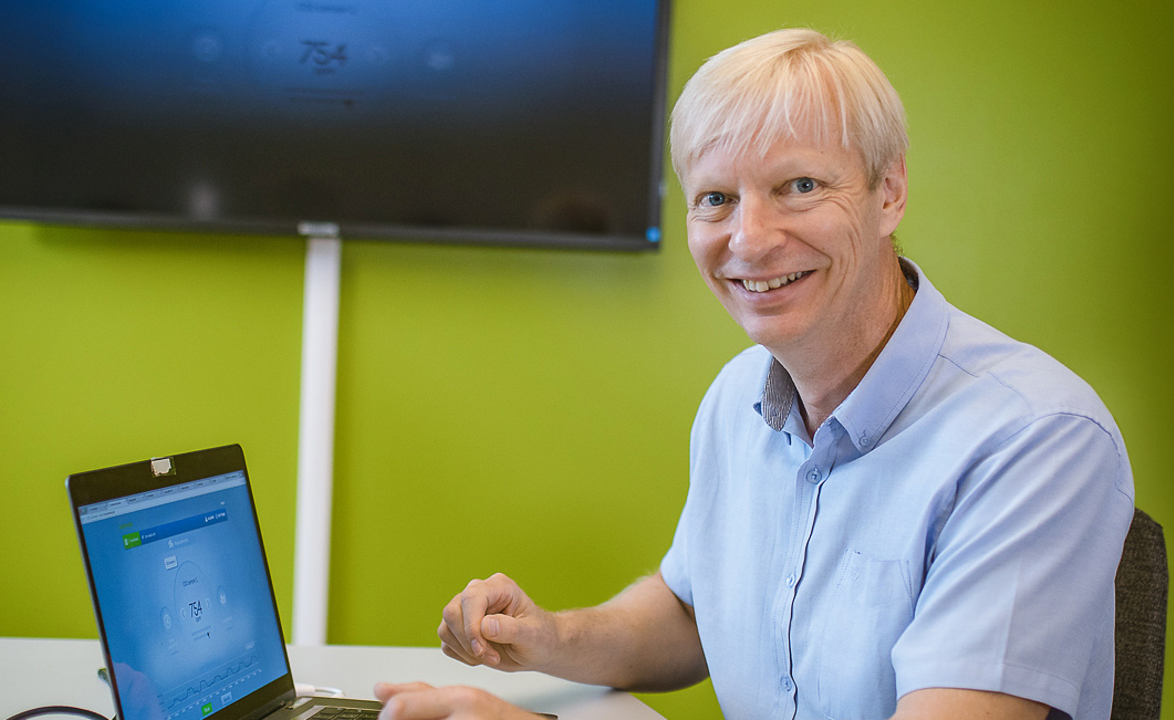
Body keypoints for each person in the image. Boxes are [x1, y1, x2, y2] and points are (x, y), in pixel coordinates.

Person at [375, 28, 1134, 720]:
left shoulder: (1036, 437)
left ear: (889, 192)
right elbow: (692, 614)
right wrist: (550, 636)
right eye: (716, 198)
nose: (751, 239)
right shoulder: (740, 395)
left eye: (800, 186)